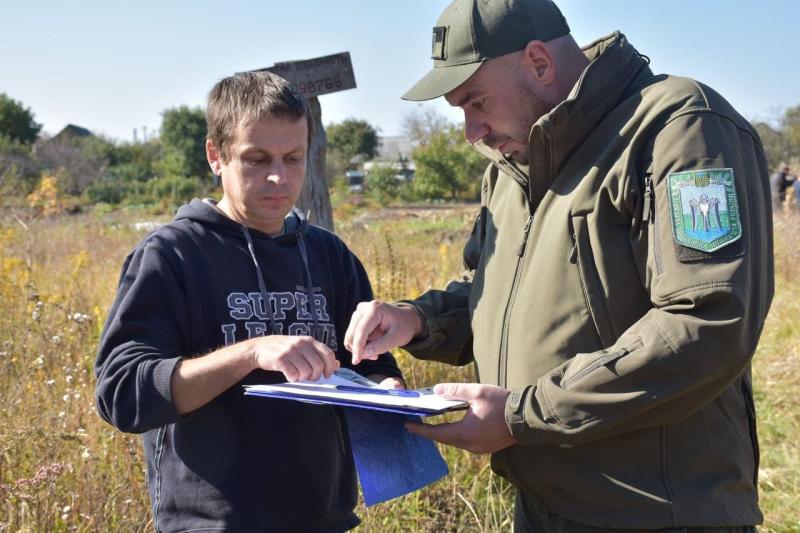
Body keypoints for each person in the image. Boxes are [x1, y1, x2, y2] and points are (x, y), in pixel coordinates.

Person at [345, 0, 773, 531]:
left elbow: (708, 321)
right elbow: (498, 295)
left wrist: (523, 415)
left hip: (655, 514)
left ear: (539, 62)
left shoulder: (678, 128)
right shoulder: (510, 166)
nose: (470, 132)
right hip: (547, 508)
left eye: (475, 101)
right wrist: (417, 320)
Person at [95, 70, 403, 532]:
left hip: (324, 519)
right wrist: (250, 353)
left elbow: (367, 364)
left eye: (293, 158)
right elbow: (122, 394)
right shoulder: (171, 256)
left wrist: (386, 390)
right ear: (215, 156)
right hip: (214, 524)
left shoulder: (328, 254)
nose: (279, 176)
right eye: (256, 159)